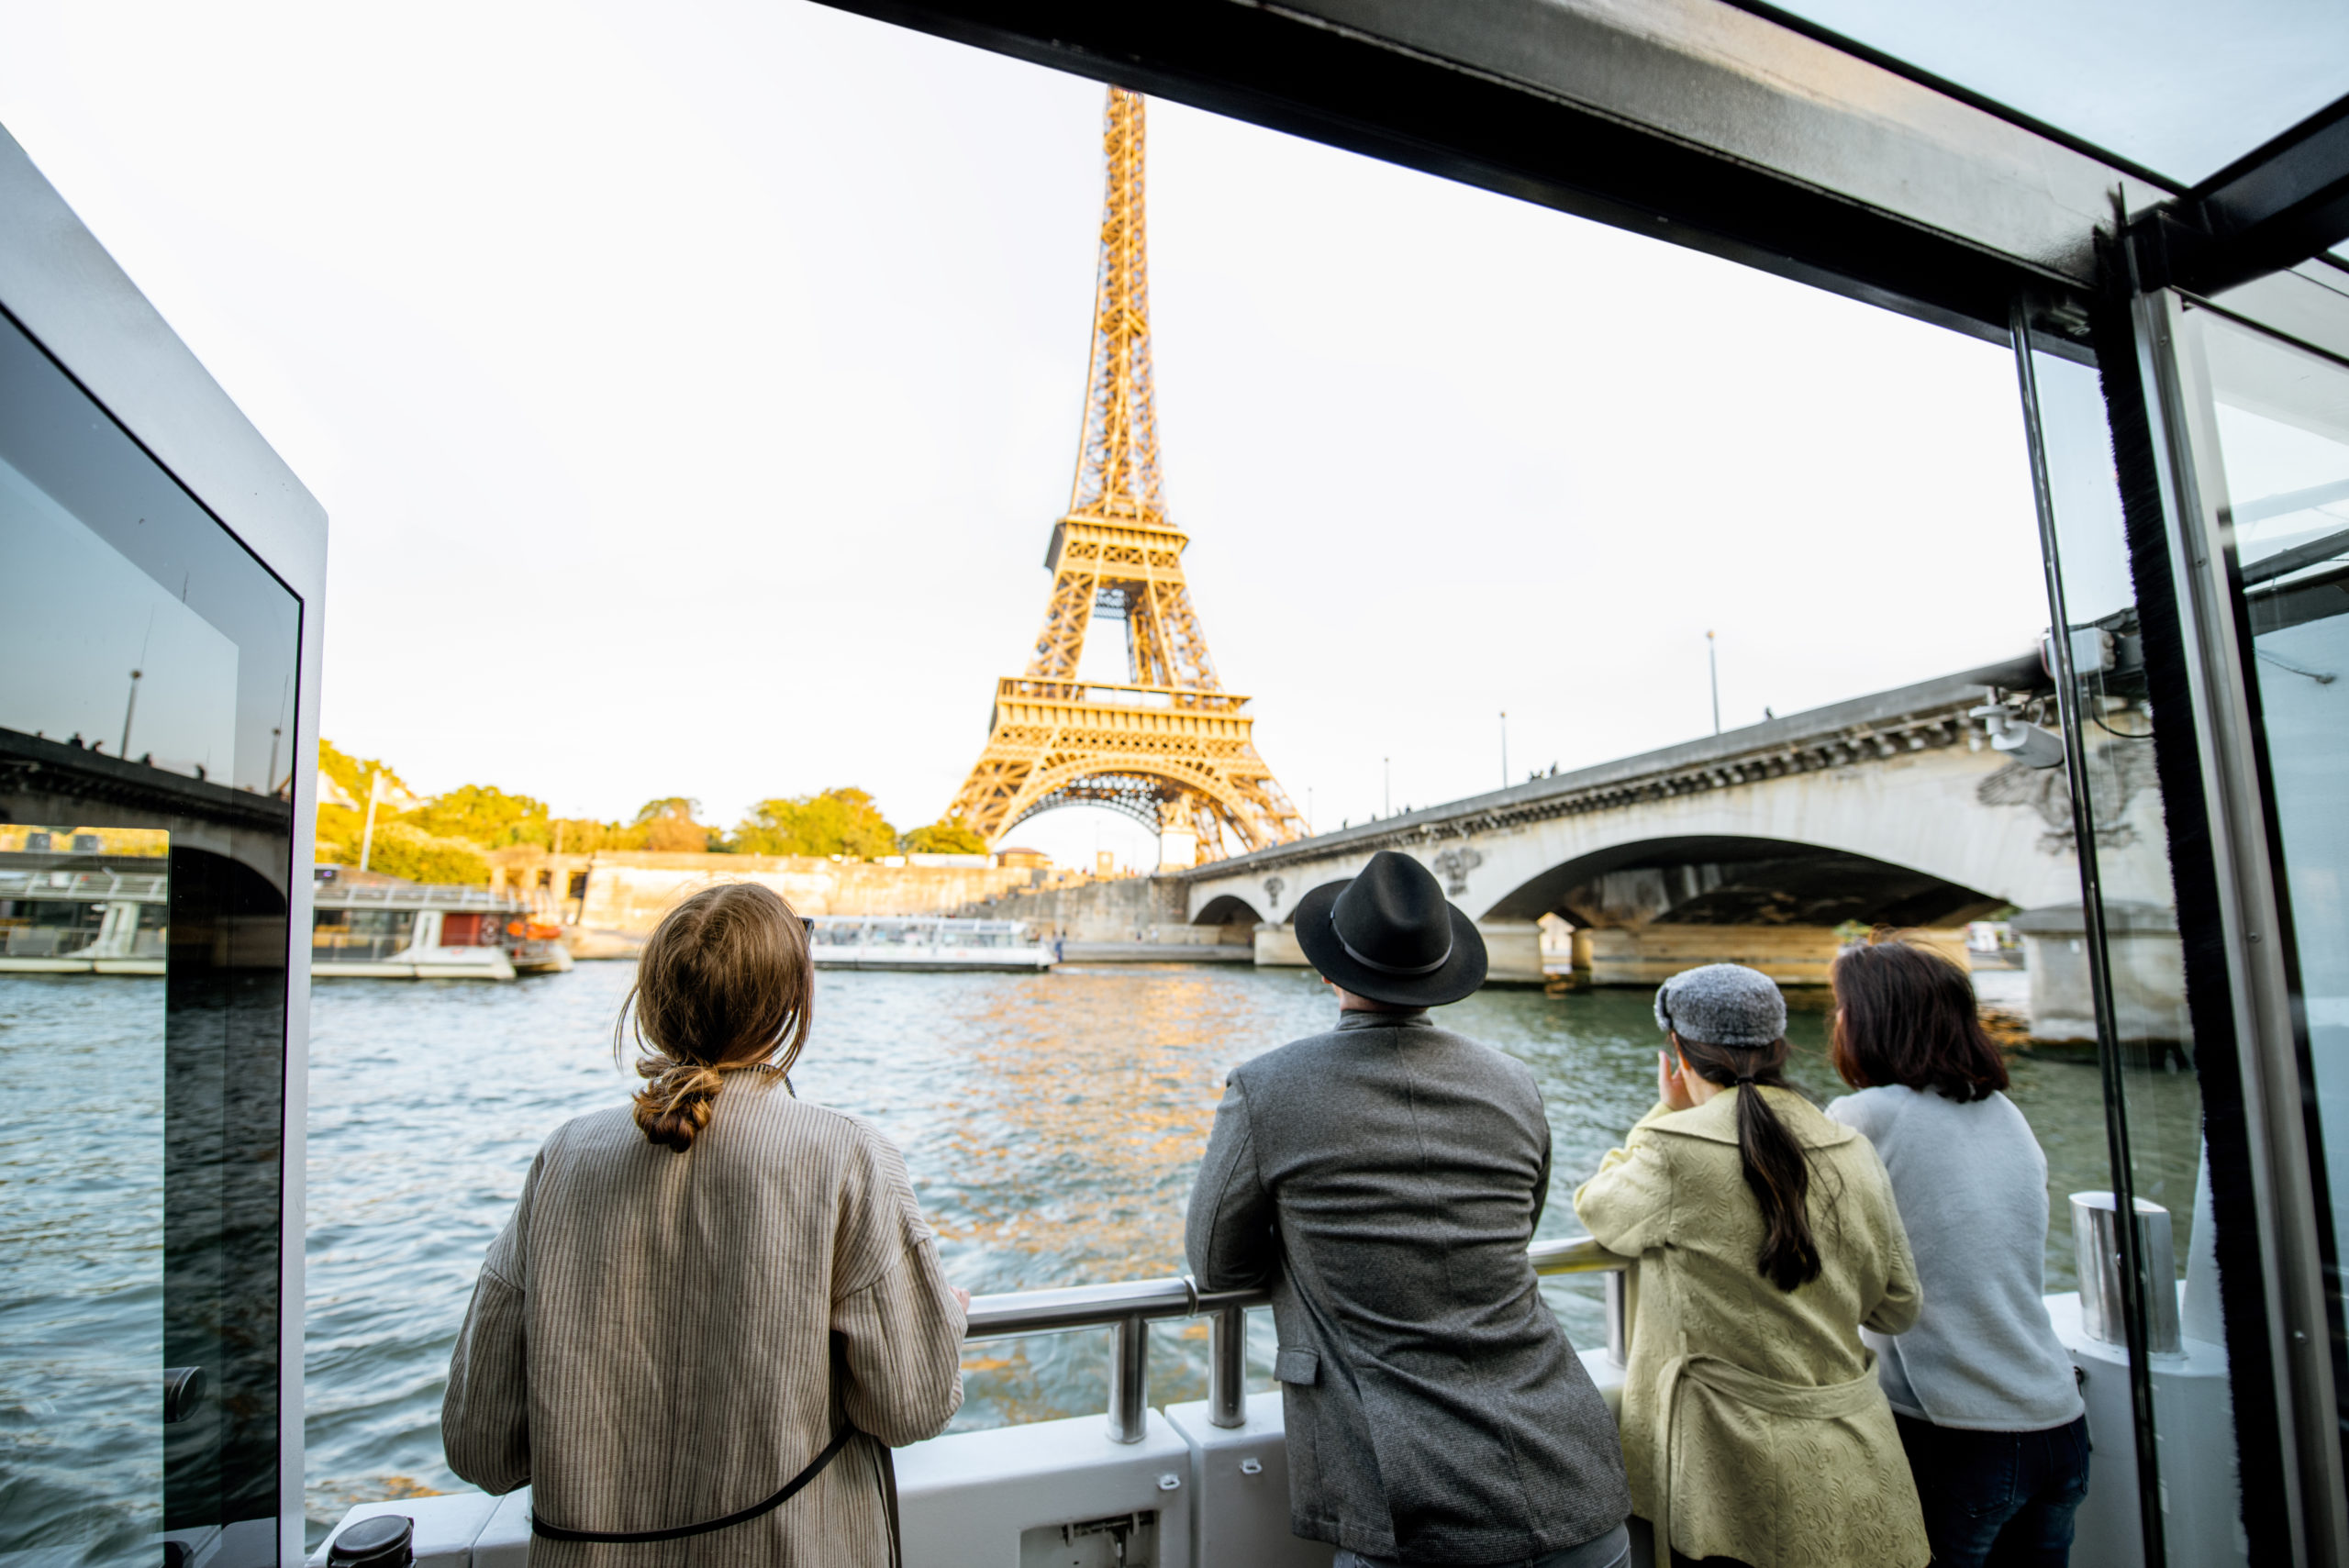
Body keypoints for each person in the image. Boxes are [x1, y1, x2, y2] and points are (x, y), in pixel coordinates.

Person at [442, 882, 967, 1566]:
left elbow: (481, 1446)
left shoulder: (563, 1155)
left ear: (652, 999)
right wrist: (942, 1319)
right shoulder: (847, 1155)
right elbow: (913, 1407)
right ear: (792, 1002)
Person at [1186, 851, 1632, 1568]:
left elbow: (1215, 1261)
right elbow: (1513, 1227)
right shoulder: (1515, 1084)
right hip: (1578, 1481)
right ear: (1439, 977)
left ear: (1329, 970)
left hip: (1409, 1506)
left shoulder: (1265, 1088)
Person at [1574, 963, 1927, 1568]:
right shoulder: (1850, 1144)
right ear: (1778, 1046)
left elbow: (1599, 1209)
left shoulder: (1674, 1148)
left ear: (1677, 1052)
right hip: (1857, 1457)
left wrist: (1664, 1112)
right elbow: (1898, 1304)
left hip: (1723, 1472)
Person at [1826, 939, 2087, 1567]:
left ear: (1873, 1020)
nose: (1834, 1023)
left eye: (1840, 1008)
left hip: (1957, 1432)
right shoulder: (2005, 1113)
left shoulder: (1866, 1114)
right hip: (2059, 1422)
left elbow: (1809, 1240)